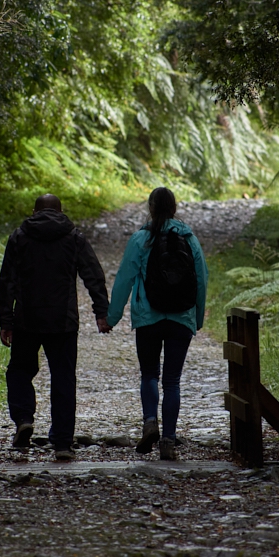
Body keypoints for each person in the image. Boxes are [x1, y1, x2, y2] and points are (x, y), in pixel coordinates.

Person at [0, 193, 111, 461]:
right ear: (61, 211)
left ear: (34, 211)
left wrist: (6, 320)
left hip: (27, 320)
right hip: (64, 322)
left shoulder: (19, 237)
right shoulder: (73, 237)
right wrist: (101, 312)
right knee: (63, 379)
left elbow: (7, 281)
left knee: (20, 372)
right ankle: (61, 443)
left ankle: (24, 418)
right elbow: (93, 274)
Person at [104, 187, 208, 460]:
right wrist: (196, 319)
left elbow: (124, 279)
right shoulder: (190, 238)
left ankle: (150, 420)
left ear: (150, 208)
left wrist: (111, 318)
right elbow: (201, 280)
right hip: (181, 319)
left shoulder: (141, 239)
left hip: (148, 318)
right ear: (174, 208)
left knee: (150, 374)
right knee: (172, 381)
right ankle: (168, 441)